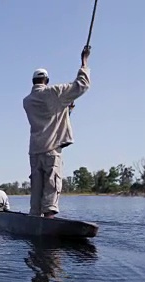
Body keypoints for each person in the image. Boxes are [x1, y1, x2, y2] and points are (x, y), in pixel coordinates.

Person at [22, 46, 91, 218]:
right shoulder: (54, 93)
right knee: (52, 187)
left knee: (36, 191)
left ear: (33, 81)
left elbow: (48, 117)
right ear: (47, 80)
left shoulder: (27, 101)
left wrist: (66, 112)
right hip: (51, 149)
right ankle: (49, 222)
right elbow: (82, 85)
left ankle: (34, 220)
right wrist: (84, 62)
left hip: (35, 150)